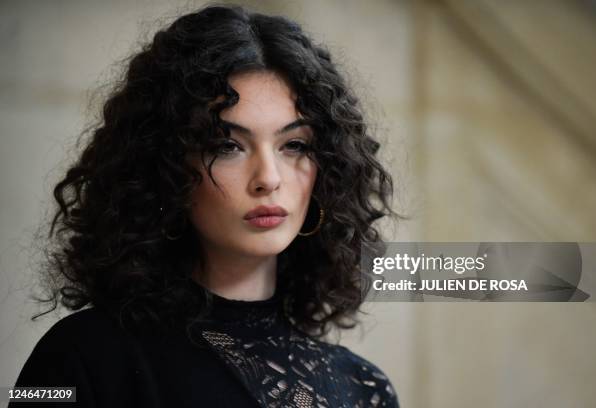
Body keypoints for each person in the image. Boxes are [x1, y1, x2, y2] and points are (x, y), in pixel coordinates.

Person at [10, 4, 400, 407]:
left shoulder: (364, 387)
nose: (269, 177)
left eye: (294, 145)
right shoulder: (79, 355)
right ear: (167, 167)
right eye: (227, 145)